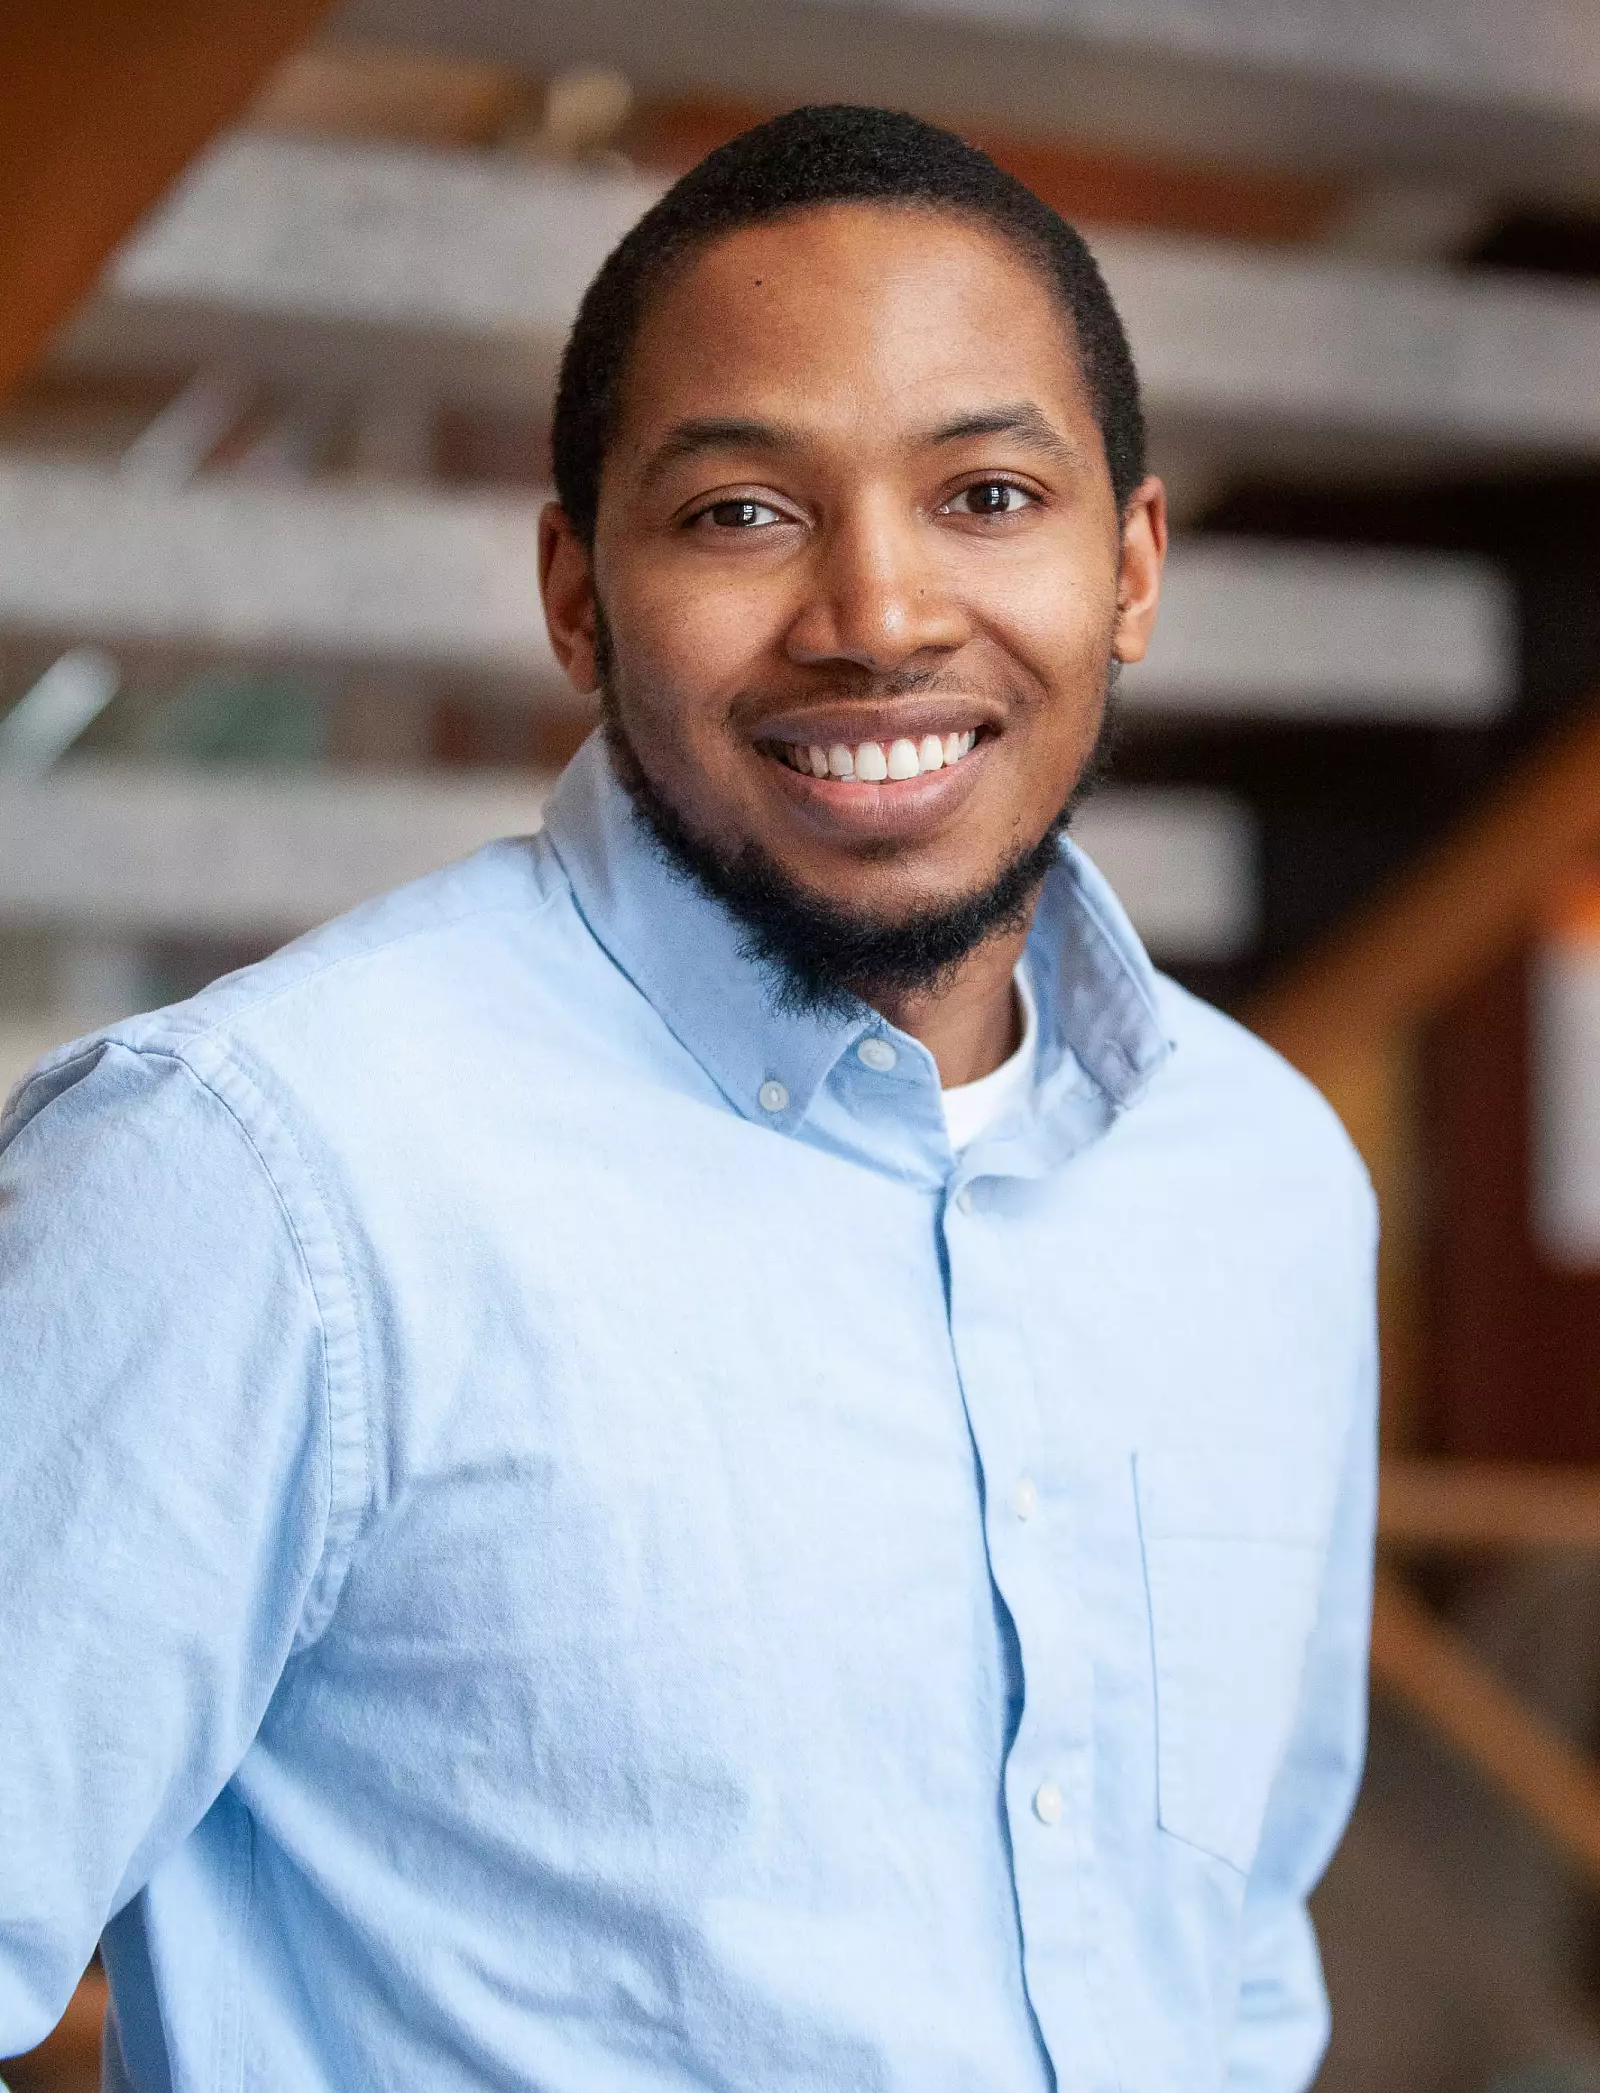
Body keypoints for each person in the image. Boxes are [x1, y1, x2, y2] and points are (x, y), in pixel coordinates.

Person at [0, 106, 1376, 2092]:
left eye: (988, 494)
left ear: (1131, 567)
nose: (879, 614)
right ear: (575, 594)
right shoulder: (257, 1175)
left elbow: (1231, 1967)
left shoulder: (1263, 1179)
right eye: (740, 512)